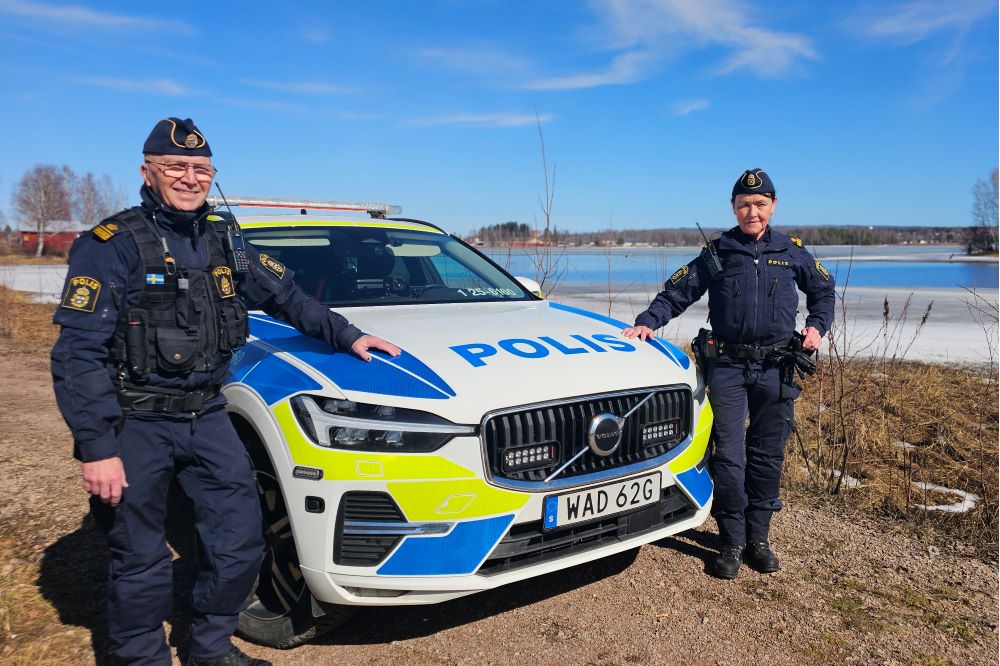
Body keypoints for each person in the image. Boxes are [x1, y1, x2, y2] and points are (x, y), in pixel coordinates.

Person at [51, 117, 400, 665]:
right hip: (135, 420)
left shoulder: (224, 238)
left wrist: (351, 336)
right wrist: (97, 447)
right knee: (139, 558)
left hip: (207, 413)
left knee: (239, 541)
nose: (189, 178)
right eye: (176, 167)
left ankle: (211, 650)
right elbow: (78, 353)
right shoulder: (109, 245)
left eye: (201, 169)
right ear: (148, 172)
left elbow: (288, 297)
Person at [623, 168, 835, 579]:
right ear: (734, 208)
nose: (751, 212)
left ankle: (759, 539)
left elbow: (823, 291)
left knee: (767, 455)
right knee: (730, 457)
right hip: (728, 368)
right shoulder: (719, 251)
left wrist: (817, 326)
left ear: (773, 206)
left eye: (759, 204)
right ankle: (732, 540)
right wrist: (649, 321)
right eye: (743, 205)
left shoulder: (793, 252)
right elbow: (677, 292)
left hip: (777, 367)